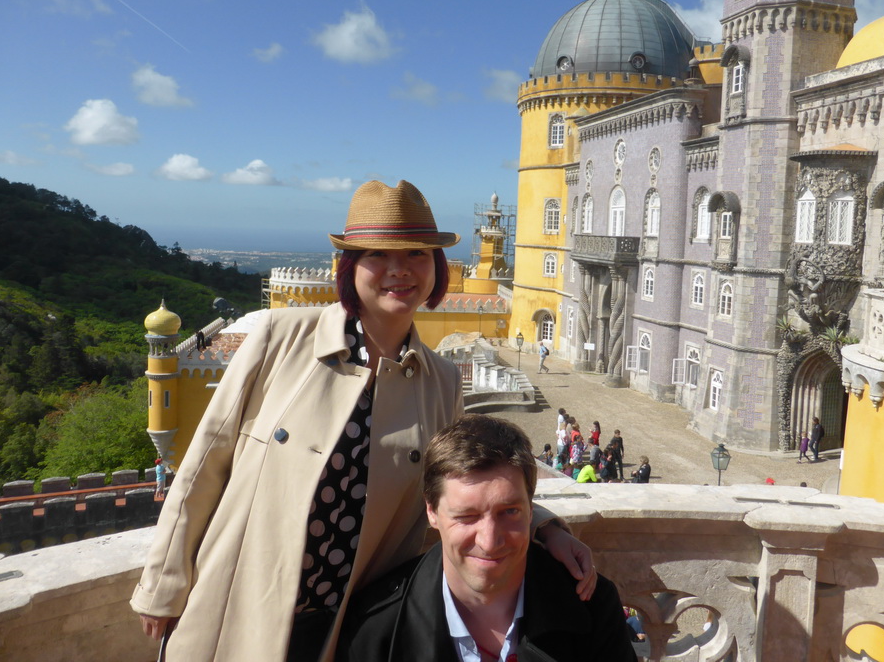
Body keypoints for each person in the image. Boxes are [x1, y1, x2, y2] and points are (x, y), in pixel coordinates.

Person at [130, 180, 595, 662]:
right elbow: (204, 466)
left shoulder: (440, 380)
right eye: (377, 254)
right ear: (349, 267)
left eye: (418, 254)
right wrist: (162, 585)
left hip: (351, 626)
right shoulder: (279, 339)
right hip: (238, 603)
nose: (400, 270)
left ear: (437, 268)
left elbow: (464, 485)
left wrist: (547, 529)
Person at [335, 414, 635, 662]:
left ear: (532, 511)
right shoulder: (373, 628)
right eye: (466, 516)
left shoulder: (593, 607)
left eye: (509, 512)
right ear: (432, 512)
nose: (490, 542)